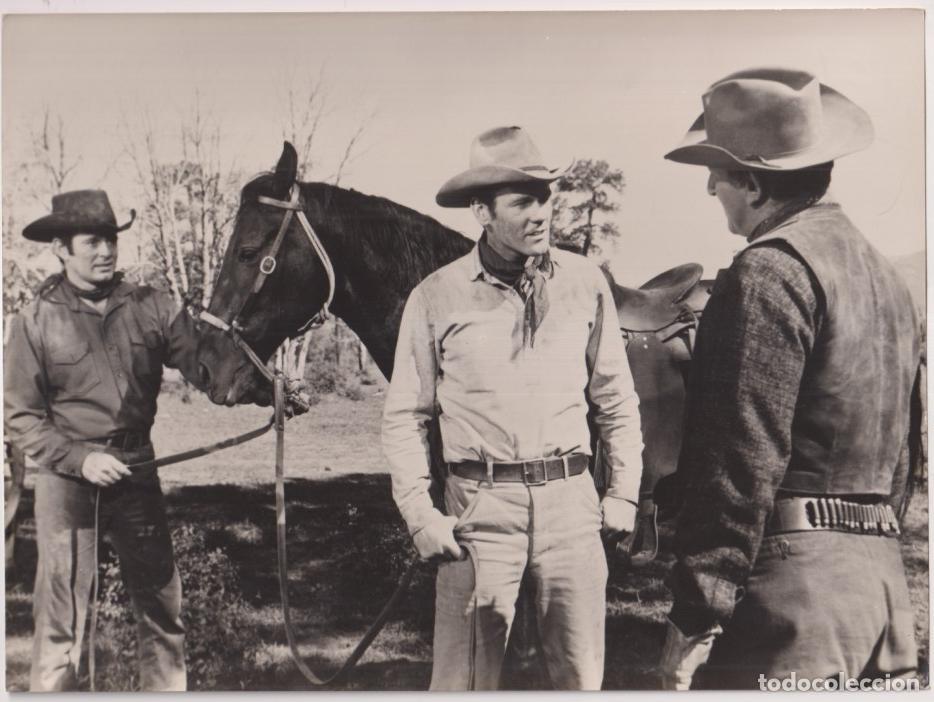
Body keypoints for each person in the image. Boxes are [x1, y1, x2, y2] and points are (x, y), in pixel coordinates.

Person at [658, 68, 923, 689]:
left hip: (787, 601)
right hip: (882, 590)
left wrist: (697, 612)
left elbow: (738, 458)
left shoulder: (768, 273)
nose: (709, 188)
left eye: (716, 172)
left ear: (751, 184)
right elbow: (907, 458)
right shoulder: (890, 280)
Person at [381, 125, 644, 690]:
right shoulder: (435, 296)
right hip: (478, 516)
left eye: (546, 196)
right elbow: (406, 416)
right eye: (523, 201)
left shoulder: (585, 283)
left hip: (573, 510)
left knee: (582, 679)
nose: (542, 212)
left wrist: (622, 492)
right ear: (481, 211)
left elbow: (616, 400)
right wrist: (420, 514)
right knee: (462, 683)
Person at [4, 189, 204, 691]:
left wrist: (268, 388)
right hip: (66, 481)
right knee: (60, 623)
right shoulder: (35, 321)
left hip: (137, 469)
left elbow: (207, 365)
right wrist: (80, 460)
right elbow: (21, 418)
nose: (105, 251)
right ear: (61, 248)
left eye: (111, 239)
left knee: (162, 608)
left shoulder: (151, 304)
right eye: (92, 241)